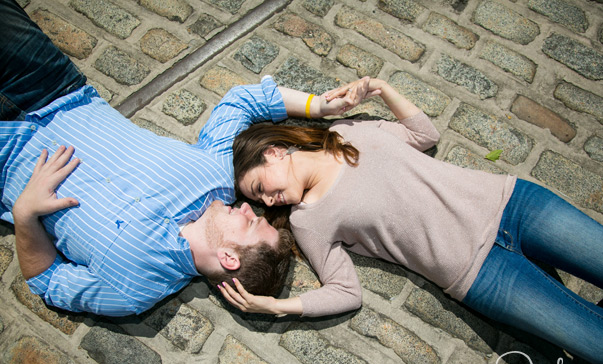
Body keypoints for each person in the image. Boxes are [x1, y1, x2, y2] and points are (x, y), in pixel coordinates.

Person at [221, 76, 603, 364]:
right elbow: (345, 292)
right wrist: (276, 306)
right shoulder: (309, 221)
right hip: (482, 276)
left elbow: (424, 134)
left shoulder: (346, 132)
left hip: (514, 206)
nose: (268, 200)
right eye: (260, 201)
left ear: (274, 152)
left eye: (261, 187)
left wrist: (379, 87)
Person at [0, 0, 351, 316]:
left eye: (250, 222)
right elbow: (241, 102)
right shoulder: (217, 175)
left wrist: (25, 216)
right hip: (50, 84)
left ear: (228, 258)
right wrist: (317, 105)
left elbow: (48, 283)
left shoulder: (134, 289)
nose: (249, 208)